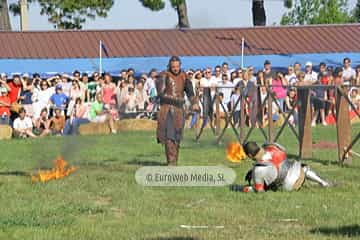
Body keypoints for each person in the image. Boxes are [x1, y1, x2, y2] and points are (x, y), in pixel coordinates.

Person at [238, 141, 331, 193]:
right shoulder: (272, 146)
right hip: (297, 172)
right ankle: (323, 183)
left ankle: (323, 183)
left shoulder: (258, 170)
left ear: (250, 155)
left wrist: (246, 189)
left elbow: (260, 191)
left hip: (288, 186)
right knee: (303, 167)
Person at [156, 56, 196, 166]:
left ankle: (175, 161)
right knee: (169, 136)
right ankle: (171, 162)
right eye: (173, 67)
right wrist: (177, 100)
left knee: (177, 137)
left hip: (179, 111)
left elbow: (190, 93)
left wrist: (195, 103)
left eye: (177, 66)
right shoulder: (163, 75)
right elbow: (161, 94)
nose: (175, 69)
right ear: (169, 66)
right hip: (167, 109)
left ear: (180, 65)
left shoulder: (184, 76)